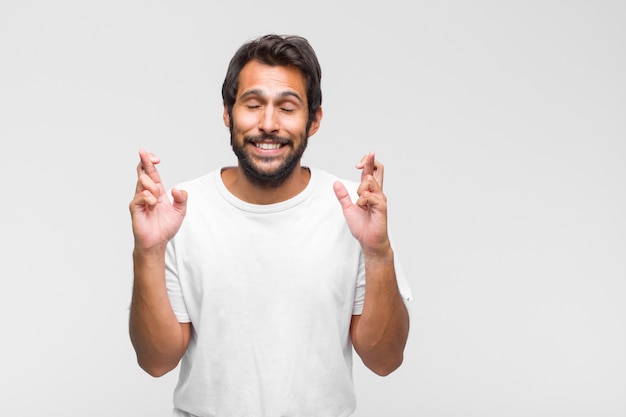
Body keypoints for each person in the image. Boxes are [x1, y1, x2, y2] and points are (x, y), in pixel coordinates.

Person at [129, 33, 412, 417]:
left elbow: (385, 360)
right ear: (228, 113)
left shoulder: (353, 210)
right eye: (253, 104)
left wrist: (378, 253)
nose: (268, 123)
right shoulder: (179, 210)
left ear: (313, 120)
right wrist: (147, 251)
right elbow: (156, 361)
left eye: (287, 107)